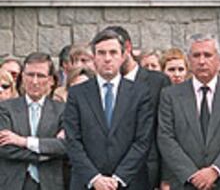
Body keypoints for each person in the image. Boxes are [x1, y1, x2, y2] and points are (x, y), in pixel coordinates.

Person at [64, 29, 154, 190]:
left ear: (123, 56)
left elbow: (142, 141)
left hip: (129, 182)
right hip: (87, 183)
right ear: (94, 57)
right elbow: (73, 141)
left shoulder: (140, 93)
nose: (107, 58)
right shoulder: (77, 94)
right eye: (101, 53)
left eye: (113, 53)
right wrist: (95, 178)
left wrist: (118, 178)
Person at [158, 33, 220, 189]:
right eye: (196, 55)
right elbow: (165, 137)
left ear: (218, 59)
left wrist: (215, 170)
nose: (201, 61)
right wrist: (192, 175)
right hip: (185, 183)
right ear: (188, 59)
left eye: (207, 55)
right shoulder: (170, 95)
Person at [105, 25, 171, 189]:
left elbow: (166, 131)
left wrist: (166, 178)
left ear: (127, 48)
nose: (109, 58)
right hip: (109, 176)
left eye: (114, 52)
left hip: (148, 174)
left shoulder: (158, 82)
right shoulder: (104, 86)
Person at [0, 52, 66, 190]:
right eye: (30, 75)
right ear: (23, 77)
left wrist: (24, 141)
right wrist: (45, 154)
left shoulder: (62, 111)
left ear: (51, 80)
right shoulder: (5, 108)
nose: (34, 81)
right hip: (13, 183)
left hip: (50, 184)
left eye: (40, 76)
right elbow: (5, 148)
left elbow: (65, 146)